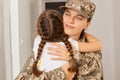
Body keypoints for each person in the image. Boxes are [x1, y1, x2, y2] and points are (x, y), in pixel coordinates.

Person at [15, 0, 103, 80]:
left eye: (78, 18)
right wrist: (61, 73)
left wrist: (74, 57)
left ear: (87, 25)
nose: (70, 20)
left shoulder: (91, 54)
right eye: (67, 14)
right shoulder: (47, 43)